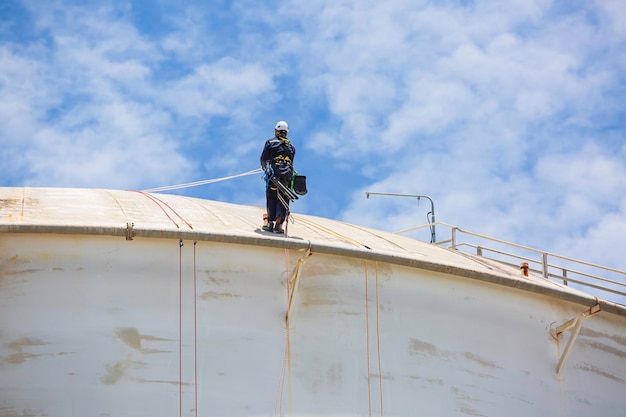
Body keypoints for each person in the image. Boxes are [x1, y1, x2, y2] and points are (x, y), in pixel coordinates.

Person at [260, 120, 296, 234]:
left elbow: (264, 159)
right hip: (287, 175)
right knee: (284, 198)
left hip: (274, 173)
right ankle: (278, 224)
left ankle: (270, 223)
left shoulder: (270, 142)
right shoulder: (291, 147)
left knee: (272, 197)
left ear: (276, 131)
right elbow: (291, 162)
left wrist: (265, 168)